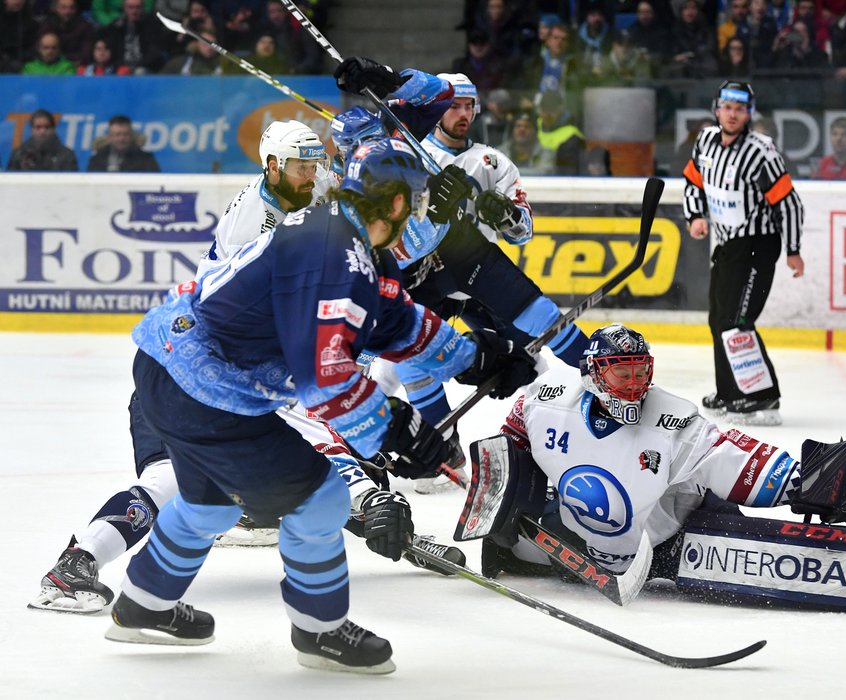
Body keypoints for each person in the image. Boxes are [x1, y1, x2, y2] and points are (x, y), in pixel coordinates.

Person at [100, 137, 530, 671]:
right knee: (320, 498)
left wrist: (476, 357)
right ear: (397, 204)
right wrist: (399, 431)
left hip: (170, 369)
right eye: (418, 203)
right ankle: (320, 631)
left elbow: (390, 315)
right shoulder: (336, 257)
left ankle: (144, 603)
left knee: (210, 503)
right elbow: (327, 379)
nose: (418, 217)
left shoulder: (337, 233)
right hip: (207, 391)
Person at [28, 116, 485, 613]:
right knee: (177, 482)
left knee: (200, 491)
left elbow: (367, 297)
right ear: (271, 165)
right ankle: (88, 567)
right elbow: (321, 400)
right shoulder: (264, 225)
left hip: (188, 365)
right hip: (201, 376)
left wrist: (471, 355)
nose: (311, 175)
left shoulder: (322, 214)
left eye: (317, 164)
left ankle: (140, 600)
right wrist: (376, 482)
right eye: (298, 166)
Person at [463, 323, 846, 618]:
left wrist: (805, 482)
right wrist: (500, 506)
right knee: (509, 538)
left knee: (754, 556)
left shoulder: (673, 422)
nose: (633, 385)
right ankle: (514, 550)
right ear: (592, 375)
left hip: (670, 540)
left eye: (640, 371)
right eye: (620, 373)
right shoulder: (547, 399)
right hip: (575, 541)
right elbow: (512, 447)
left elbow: (733, 456)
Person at [336, 69, 590, 492]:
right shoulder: (377, 166)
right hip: (422, 272)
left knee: (536, 338)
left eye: (468, 104)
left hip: (466, 255)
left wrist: (389, 77)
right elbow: (388, 247)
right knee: (412, 357)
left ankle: (596, 374)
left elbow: (523, 228)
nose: (460, 111)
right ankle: (444, 443)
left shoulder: (479, 157)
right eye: (455, 105)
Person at [682, 81, 804, 426]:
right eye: (727, 108)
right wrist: (696, 216)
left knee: (737, 321)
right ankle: (728, 390)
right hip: (726, 244)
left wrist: (793, 250)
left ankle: (761, 396)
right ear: (716, 109)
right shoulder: (706, 141)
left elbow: (790, 204)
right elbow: (693, 181)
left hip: (758, 245)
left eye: (740, 109)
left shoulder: (761, 151)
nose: (733, 115)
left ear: (749, 113)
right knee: (718, 318)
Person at [7, 108, 78, 171]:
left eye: (47, 127)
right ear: (32, 130)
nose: (42, 131)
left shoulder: (66, 155)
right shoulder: (19, 155)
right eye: (38, 127)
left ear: (53, 129)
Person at [87, 115, 161, 172]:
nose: (121, 139)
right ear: (109, 137)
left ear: (132, 135)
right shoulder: (97, 159)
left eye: (126, 134)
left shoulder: (145, 159)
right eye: (117, 134)